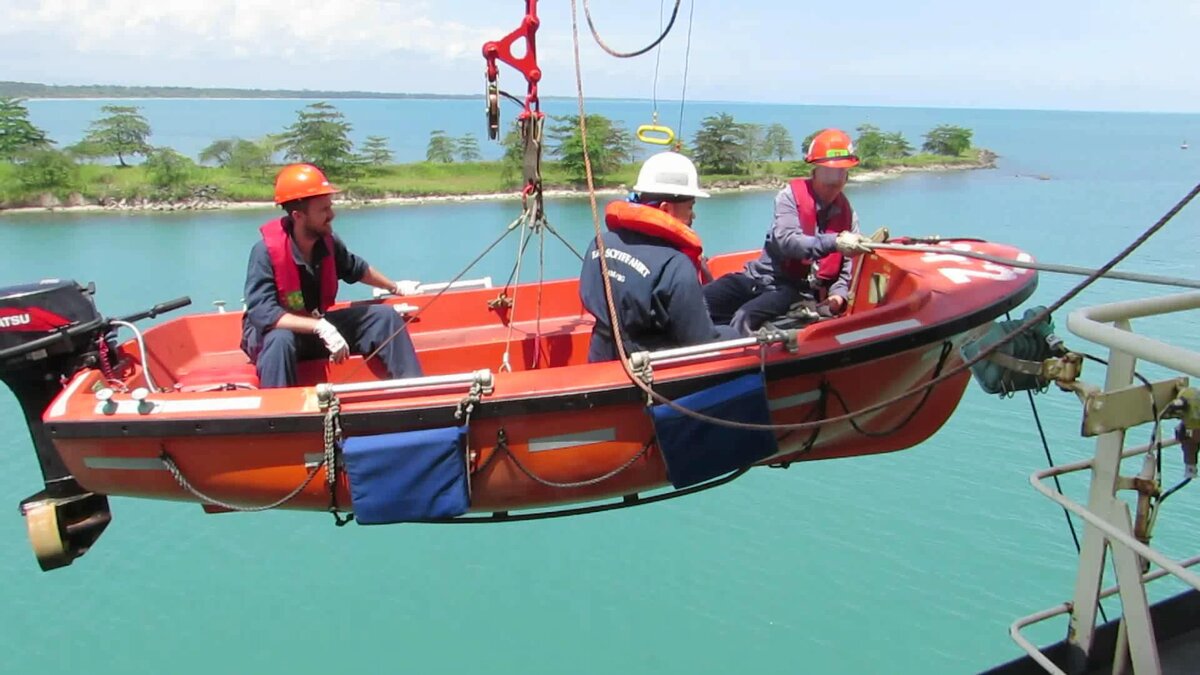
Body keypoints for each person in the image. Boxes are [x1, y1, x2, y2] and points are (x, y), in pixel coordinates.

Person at [240, 163, 423, 388]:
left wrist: (395, 287)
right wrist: (320, 327)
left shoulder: (328, 242)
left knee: (384, 317)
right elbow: (263, 314)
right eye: (323, 210)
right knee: (280, 340)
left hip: (316, 328)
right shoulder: (265, 252)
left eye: (330, 207)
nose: (331, 215)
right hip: (274, 339)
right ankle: (279, 407)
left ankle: (414, 390)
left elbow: (356, 268)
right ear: (298, 216)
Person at [704, 128, 873, 334]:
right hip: (760, 276)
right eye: (829, 170)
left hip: (795, 290)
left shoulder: (848, 217)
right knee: (701, 300)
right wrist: (834, 242)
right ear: (815, 171)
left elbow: (845, 272)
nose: (835, 177)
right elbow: (788, 241)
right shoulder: (790, 197)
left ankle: (737, 351)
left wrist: (838, 296)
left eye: (841, 171)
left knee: (744, 317)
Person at [579, 151, 739, 362]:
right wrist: (737, 333)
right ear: (666, 209)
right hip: (650, 369)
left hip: (601, 360)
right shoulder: (675, 265)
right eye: (690, 207)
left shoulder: (599, 243)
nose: (693, 215)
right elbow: (700, 342)